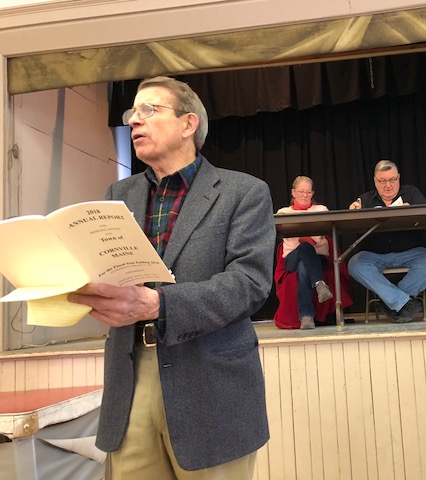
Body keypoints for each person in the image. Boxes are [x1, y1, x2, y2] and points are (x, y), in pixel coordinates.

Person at [67, 76, 275, 478]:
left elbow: (250, 284)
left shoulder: (243, 192)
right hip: (129, 377)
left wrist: (159, 304)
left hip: (210, 381)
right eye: (131, 113)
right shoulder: (118, 194)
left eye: (150, 110)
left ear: (188, 124)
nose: (134, 121)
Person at [347, 160, 426, 323]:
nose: (388, 185)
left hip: (410, 252)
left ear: (398, 178)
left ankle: (391, 301)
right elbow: (353, 227)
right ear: (375, 181)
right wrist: (353, 214)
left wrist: (411, 212)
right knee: (354, 264)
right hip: (376, 254)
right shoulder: (365, 200)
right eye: (382, 181)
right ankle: (403, 302)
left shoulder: (411, 193)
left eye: (392, 180)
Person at [275, 176, 334, 329]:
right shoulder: (283, 212)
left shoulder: (321, 210)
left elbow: (319, 234)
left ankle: (306, 317)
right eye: (301, 191)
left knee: (303, 266)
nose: (305, 195)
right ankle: (319, 283)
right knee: (305, 247)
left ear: (313, 193)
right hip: (291, 259)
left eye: (308, 191)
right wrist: (309, 234)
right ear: (293, 192)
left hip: (318, 259)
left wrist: (299, 232)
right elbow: (312, 238)